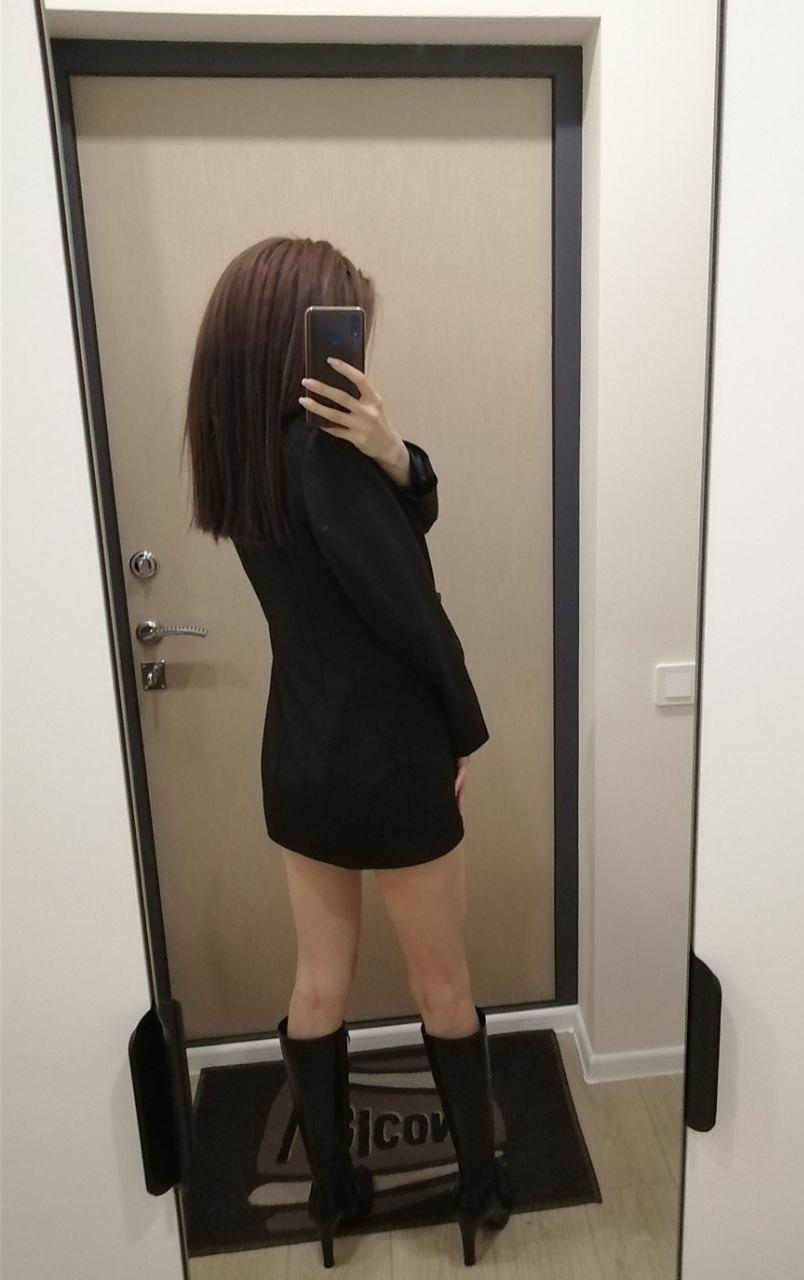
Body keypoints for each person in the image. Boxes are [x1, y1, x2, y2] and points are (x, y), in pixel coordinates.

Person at [182, 235, 512, 1268]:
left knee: (319, 982)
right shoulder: (322, 455)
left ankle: (332, 1194)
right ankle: (479, 1187)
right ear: (299, 340)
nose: (357, 344)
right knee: (442, 983)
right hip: (391, 755)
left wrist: (396, 453)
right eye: (345, 326)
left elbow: (398, 523)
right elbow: (412, 610)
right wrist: (461, 728)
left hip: (301, 749)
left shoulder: (244, 452)